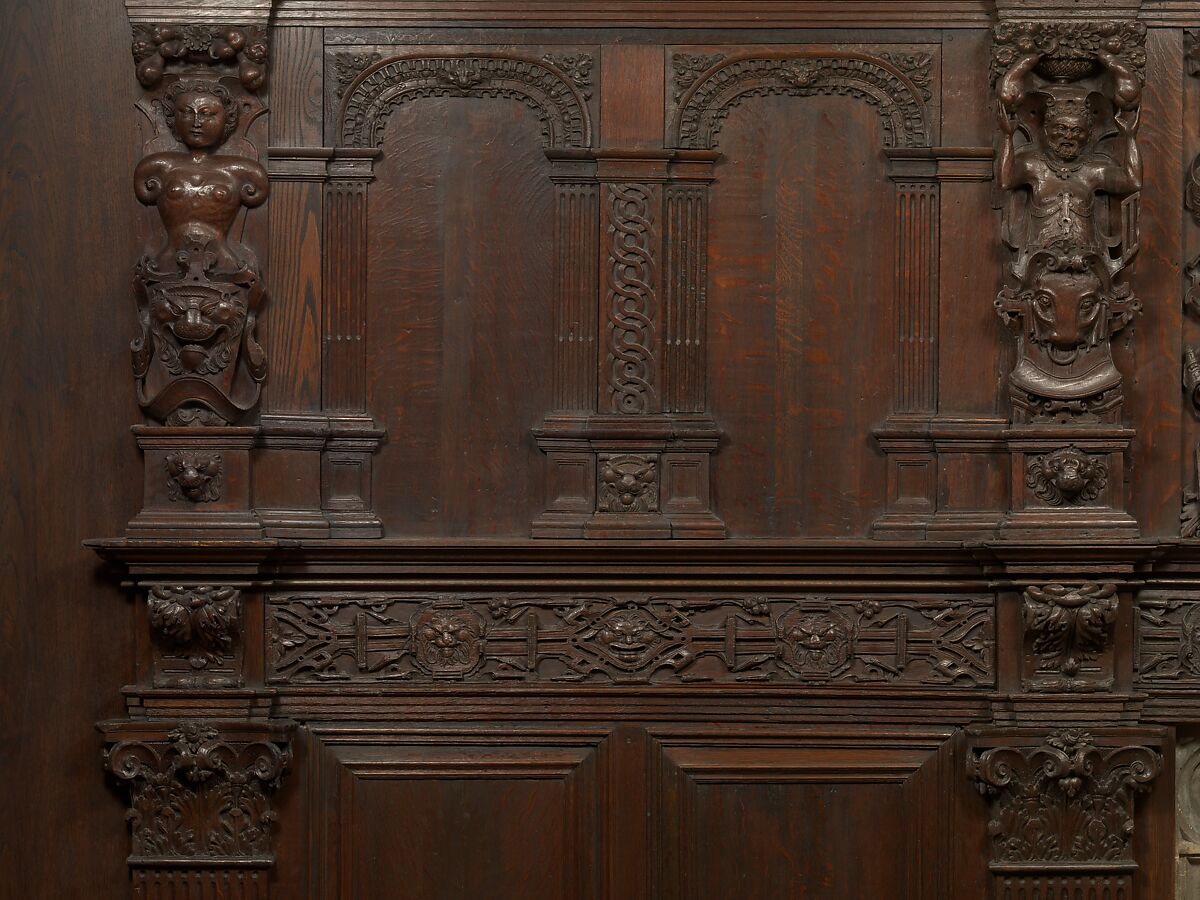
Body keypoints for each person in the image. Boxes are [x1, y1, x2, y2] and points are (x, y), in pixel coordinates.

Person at [134, 79, 267, 274]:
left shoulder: (246, 172)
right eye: (187, 113)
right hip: (166, 265)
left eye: (207, 114)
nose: (197, 123)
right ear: (172, 117)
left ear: (227, 119)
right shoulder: (155, 167)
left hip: (226, 266)